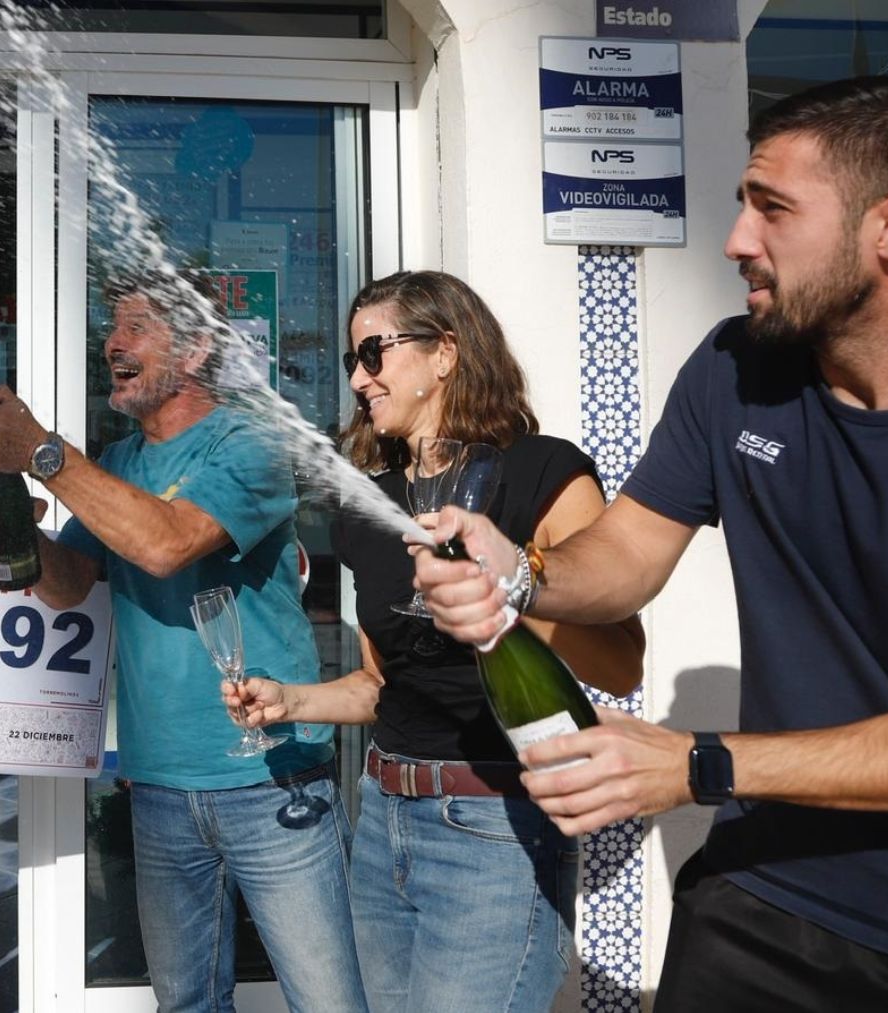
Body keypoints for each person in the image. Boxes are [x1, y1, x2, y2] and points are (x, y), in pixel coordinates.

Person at [413, 77, 888, 1010]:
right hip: (763, 892)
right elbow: (623, 558)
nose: (738, 239)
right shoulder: (734, 367)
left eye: (772, 209)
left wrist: (698, 763)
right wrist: (522, 572)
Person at [224, 269, 644, 1011]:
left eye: (375, 353)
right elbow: (385, 684)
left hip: (494, 825)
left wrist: (507, 590)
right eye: (356, 360)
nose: (359, 377)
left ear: (444, 352)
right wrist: (291, 699)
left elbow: (621, 657)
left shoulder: (542, 473)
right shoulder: (369, 507)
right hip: (384, 814)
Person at [0, 269, 364, 1011]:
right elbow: (69, 582)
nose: (112, 342)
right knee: (187, 1004)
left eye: (136, 326)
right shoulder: (119, 463)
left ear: (197, 348)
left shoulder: (253, 444)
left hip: (273, 781)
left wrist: (43, 453)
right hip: (159, 789)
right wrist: (5, 535)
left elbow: (167, 544)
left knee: (328, 1002)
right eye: (112, 327)